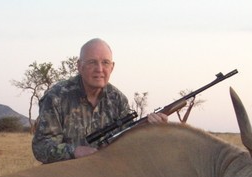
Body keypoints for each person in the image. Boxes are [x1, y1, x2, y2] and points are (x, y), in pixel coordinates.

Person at [32, 38, 167, 163]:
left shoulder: (118, 99)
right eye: (92, 62)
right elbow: (41, 147)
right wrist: (75, 151)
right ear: (79, 66)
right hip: (66, 175)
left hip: (105, 174)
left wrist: (151, 130)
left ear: (112, 67)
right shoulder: (57, 96)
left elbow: (129, 142)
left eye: (105, 63)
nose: (100, 69)